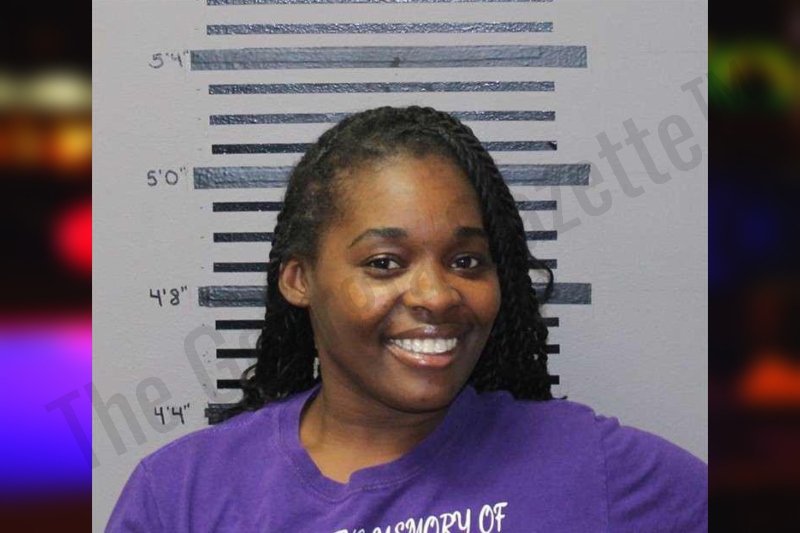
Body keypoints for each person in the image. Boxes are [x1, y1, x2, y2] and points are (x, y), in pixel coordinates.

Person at [107, 106, 707, 532]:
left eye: (466, 261)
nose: (437, 295)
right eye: (385, 263)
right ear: (299, 279)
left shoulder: (588, 465)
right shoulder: (182, 494)